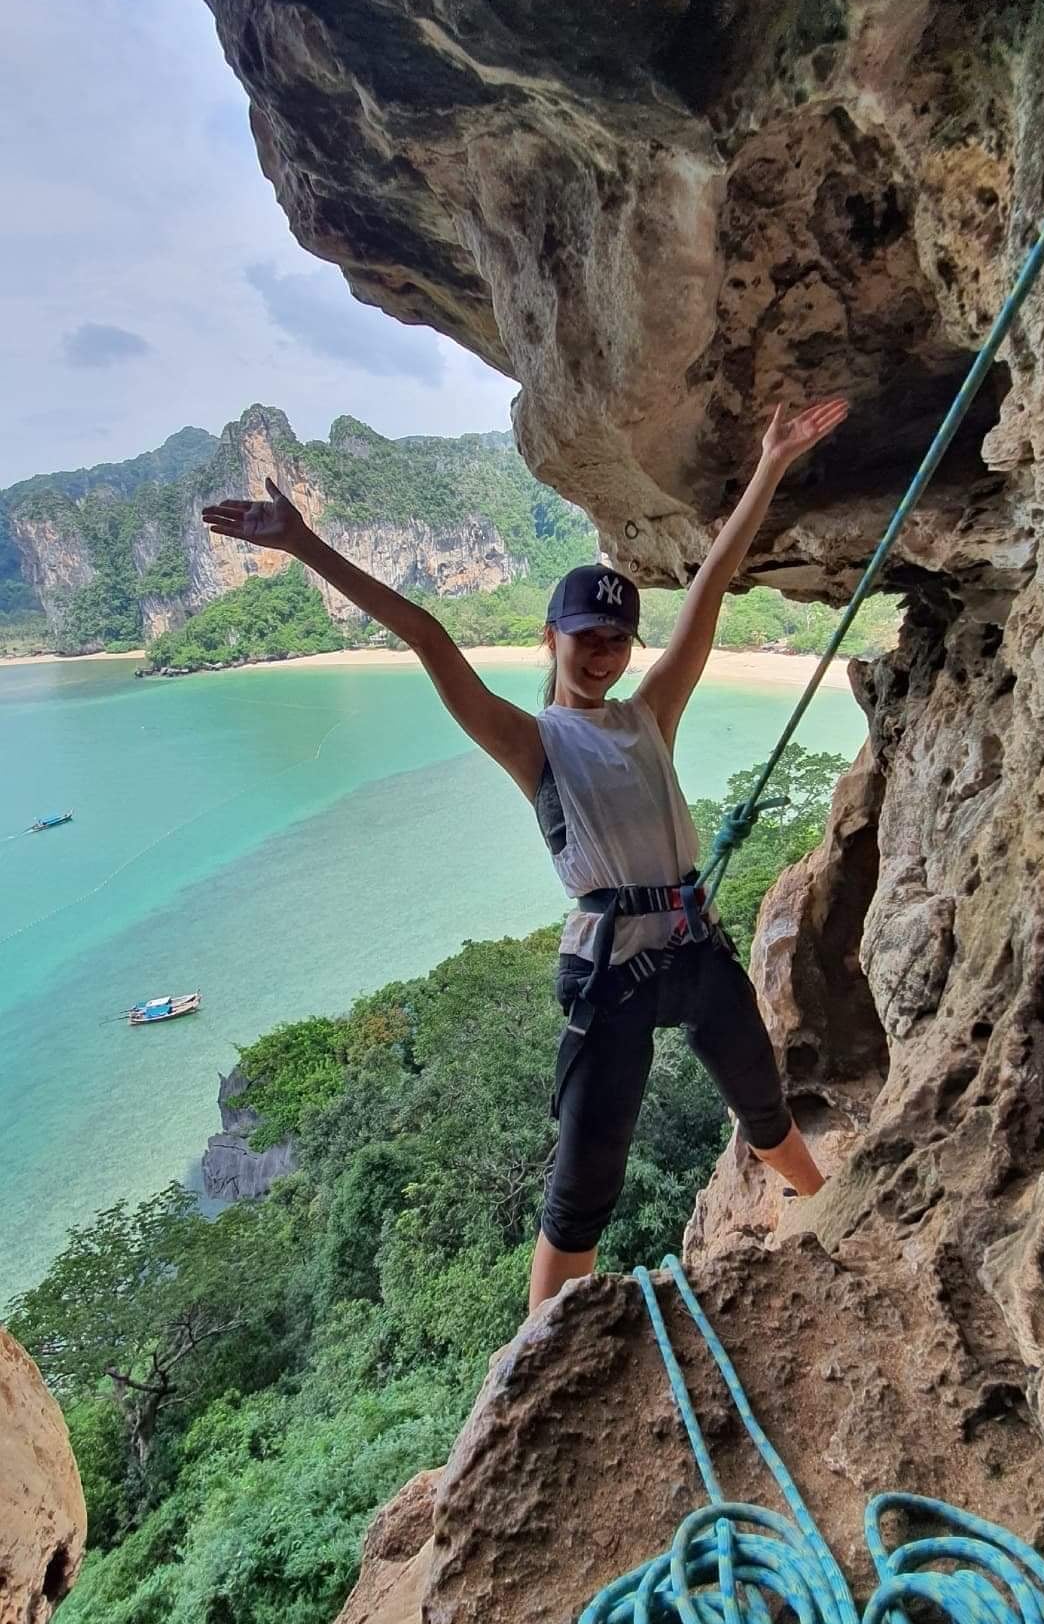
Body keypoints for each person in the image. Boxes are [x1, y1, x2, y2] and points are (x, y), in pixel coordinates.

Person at [203, 396, 848, 1310]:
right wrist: (305, 546)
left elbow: (705, 592)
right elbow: (426, 634)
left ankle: (823, 1211)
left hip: (694, 953)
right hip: (611, 979)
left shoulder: (648, 715)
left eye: (618, 639)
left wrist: (770, 462)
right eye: (588, 640)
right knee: (583, 1188)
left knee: (764, 1107)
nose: (606, 655)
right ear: (551, 640)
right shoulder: (531, 742)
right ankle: (536, 1352)